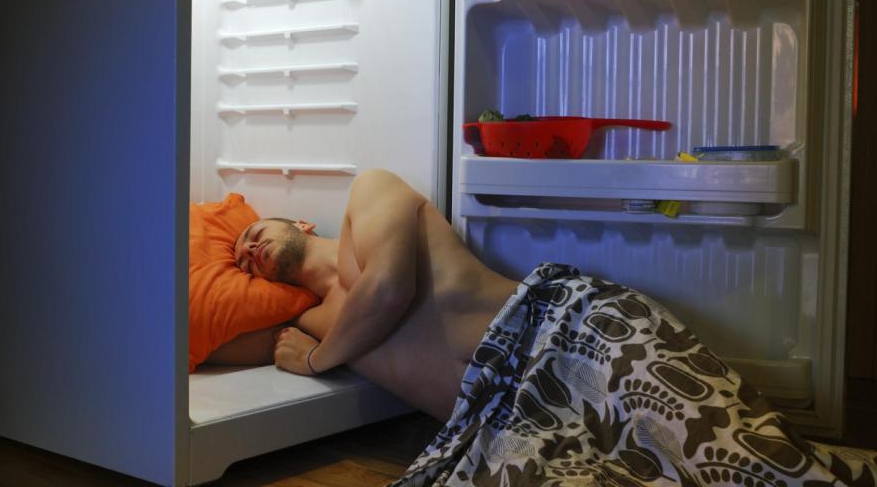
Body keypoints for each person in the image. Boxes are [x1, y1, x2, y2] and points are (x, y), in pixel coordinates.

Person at [224, 169, 871, 486]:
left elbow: (391, 288)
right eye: (241, 257)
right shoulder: (303, 318)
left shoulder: (370, 193)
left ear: (298, 226)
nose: (248, 248)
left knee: (747, 465)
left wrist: (313, 362)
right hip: (504, 421)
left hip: (564, 329)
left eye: (253, 233)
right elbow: (206, 337)